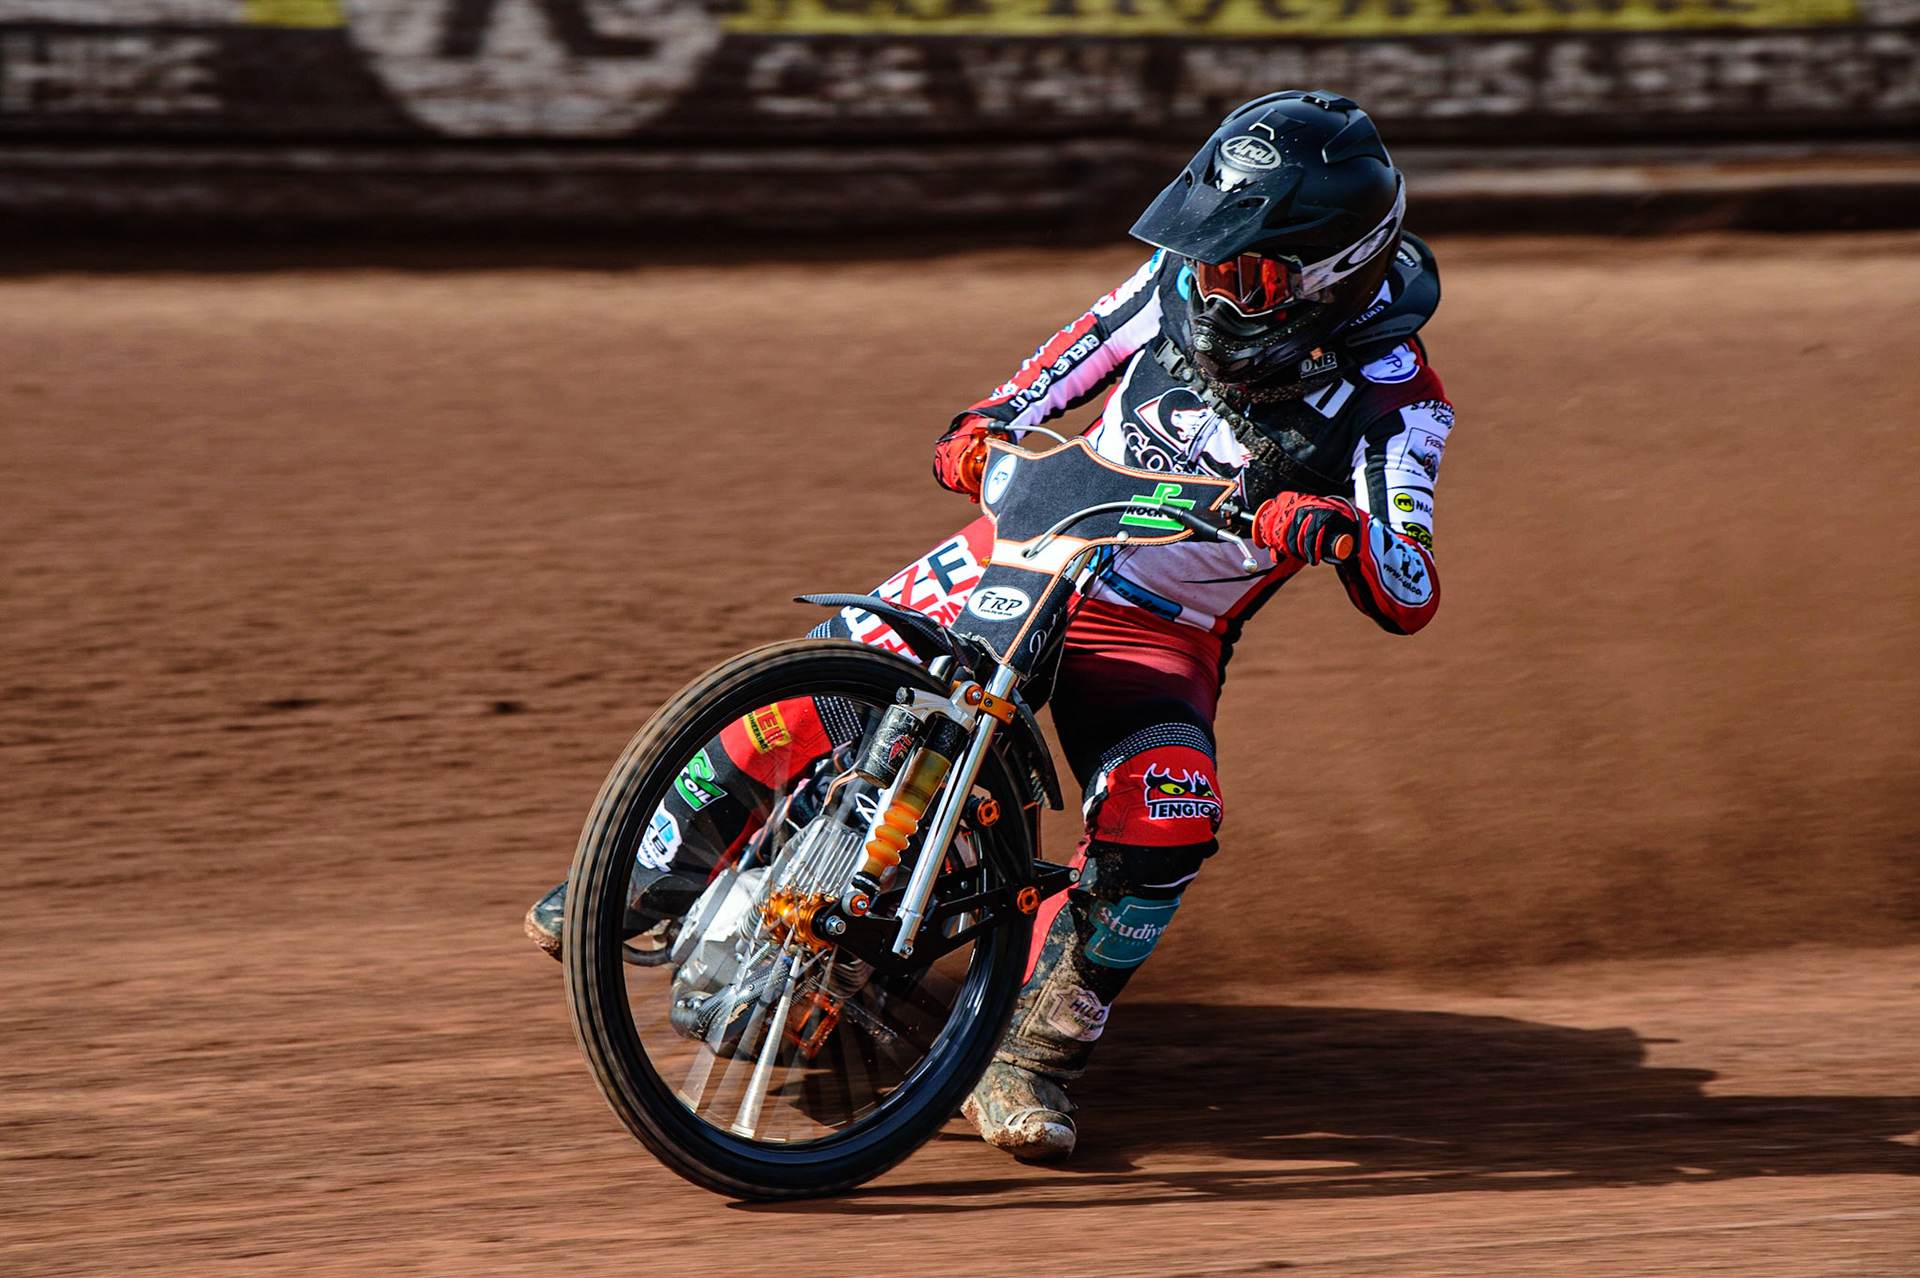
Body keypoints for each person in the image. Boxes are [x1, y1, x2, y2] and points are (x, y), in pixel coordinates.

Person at [526, 90, 1454, 1163]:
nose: (1210, 281)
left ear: (1330, 272)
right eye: (1205, 251)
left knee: (1169, 809)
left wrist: (1339, 533)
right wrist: (983, 424)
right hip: (1023, 547)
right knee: (837, 673)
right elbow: (1054, 370)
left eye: (1243, 269)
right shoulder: (1172, 284)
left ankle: (1031, 1047)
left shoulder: (1400, 404)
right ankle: (645, 874)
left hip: (1155, 632)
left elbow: (1412, 585)